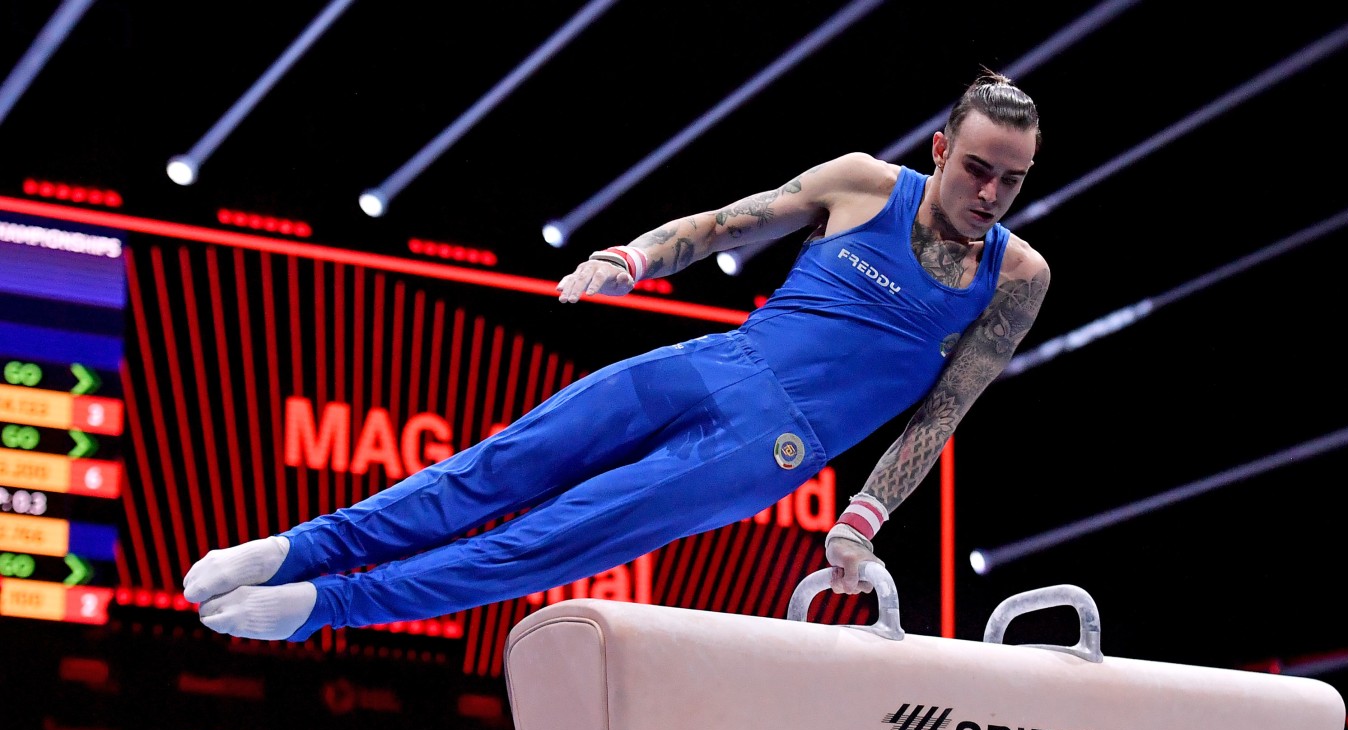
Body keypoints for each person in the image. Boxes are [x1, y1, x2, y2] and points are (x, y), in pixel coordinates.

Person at [184, 69, 1051, 642]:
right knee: (492, 468)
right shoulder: (862, 182)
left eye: (1012, 181)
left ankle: (327, 605)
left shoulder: (1014, 278)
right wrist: (630, 259)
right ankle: (298, 550)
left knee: (546, 542)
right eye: (977, 169)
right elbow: (719, 226)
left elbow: (944, 415)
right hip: (713, 361)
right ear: (941, 149)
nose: (990, 194)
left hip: (772, 445)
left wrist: (860, 521)